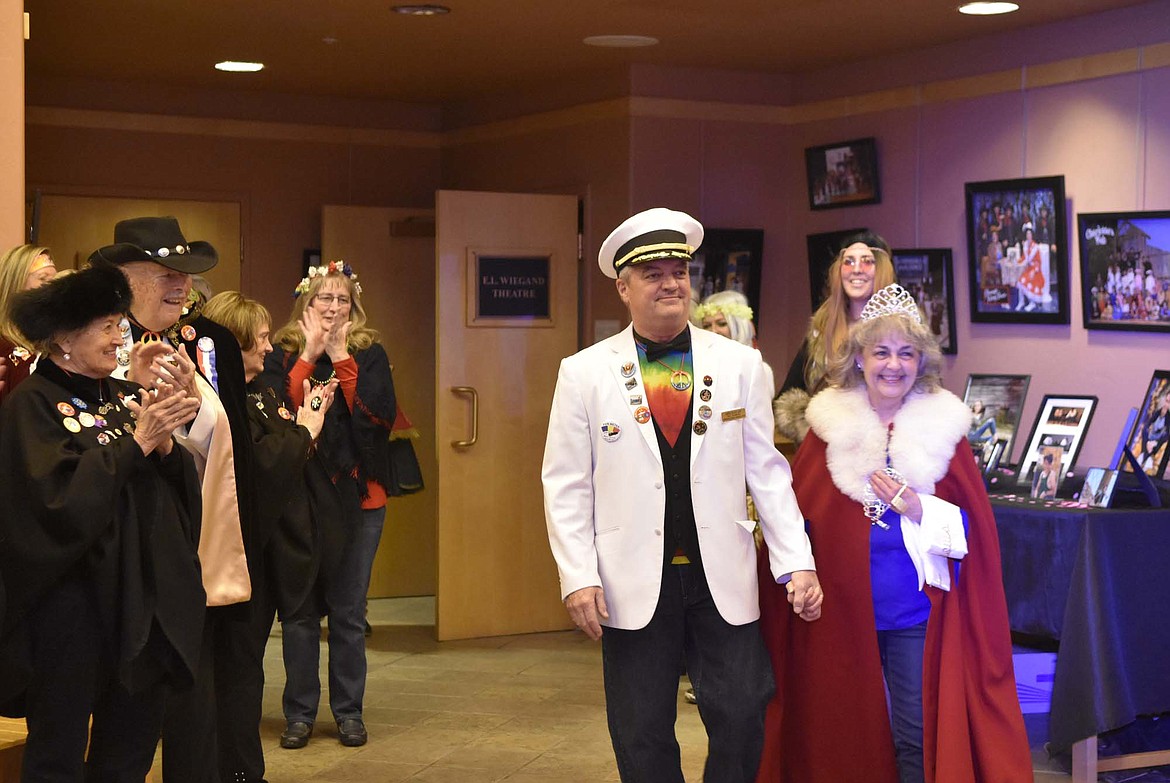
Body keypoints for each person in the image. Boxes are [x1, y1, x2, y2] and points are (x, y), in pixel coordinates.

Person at [542, 207, 822, 783]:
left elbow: (767, 474)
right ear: (623, 287)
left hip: (722, 573)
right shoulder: (584, 373)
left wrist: (796, 563)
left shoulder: (743, 366)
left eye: (680, 270)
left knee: (743, 711)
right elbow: (566, 482)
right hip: (629, 578)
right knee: (640, 727)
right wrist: (578, 575)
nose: (671, 283)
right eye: (653, 274)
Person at [756, 284, 1031, 783]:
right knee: (842, 731)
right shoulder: (827, 430)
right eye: (880, 352)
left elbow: (974, 536)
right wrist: (801, 576)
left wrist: (917, 506)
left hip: (915, 616)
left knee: (913, 734)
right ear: (859, 359)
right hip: (836, 615)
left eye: (907, 353)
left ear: (921, 362)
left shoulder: (945, 432)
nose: (893, 365)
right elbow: (793, 520)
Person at [0, 264, 205, 781]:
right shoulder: (32, 406)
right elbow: (53, 505)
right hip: (71, 615)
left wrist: (162, 449)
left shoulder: (121, 398)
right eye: (108, 327)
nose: (121, 339)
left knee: (129, 747)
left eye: (121, 325)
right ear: (66, 338)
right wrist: (136, 443)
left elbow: (170, 495)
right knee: (59, 753)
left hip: (139, 609)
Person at [89, 215, 258, 783]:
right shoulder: (91, 343)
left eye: (184, 273)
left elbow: (232, 446)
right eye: (164, 273)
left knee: (197, 702)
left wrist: (195, 418)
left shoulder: (207, 343)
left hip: (194, 547)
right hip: (121, 557)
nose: (181, 285)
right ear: (122, 276)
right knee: (124, 719)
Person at [201, 290, 340, 782]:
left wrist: (299, 431)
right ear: (232, 346)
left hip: (269, 553)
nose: (267, 348)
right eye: (258, 339)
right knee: (232, 674)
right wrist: (304, 432)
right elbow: (259, 465)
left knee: (248, 670)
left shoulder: (258, 390)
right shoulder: (216, 395)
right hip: (233, 555)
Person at [262, 260, 397, 749]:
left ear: (353, 306)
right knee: (298, 611)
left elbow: (377, 418)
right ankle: (298, 713)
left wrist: (341, 358)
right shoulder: (281, 350)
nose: (335, 308)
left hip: (359, 499)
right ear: (307, 303)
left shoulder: (370, 352)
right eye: (325, 299)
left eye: (343, 300)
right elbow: (279, 413)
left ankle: (348, 713)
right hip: (300, 502)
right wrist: (309, 356)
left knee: (346, 610)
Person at [774, 231, 895, 442]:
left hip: (886, 451)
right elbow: (787, 398)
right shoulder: (821, 331)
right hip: (829, 452)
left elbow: (924, 392)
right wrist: (814, 429)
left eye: (867, 262)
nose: (856, 270)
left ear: (882, 269)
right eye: (848, 262)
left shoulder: (904, 329)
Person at [0, 244, 58, 406]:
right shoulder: (4, 346)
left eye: (55, 280)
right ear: (16, 284)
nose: (52, 287)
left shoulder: (57, 340)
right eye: (43, 278)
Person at [695, 289, 774, 396]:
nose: (713, 331)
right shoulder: (695, 365)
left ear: (739, 326)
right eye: (707, 326)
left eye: (721, 324)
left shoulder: (758, 369)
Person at [1016, 225, 1049, 312]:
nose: (1028, 236)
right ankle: (1021, 302)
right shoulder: (1026, 245)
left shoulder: (1035, 247)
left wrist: (1034, 271)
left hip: (1036, 271)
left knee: (1029, 281)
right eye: (1027, 234)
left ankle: (1032, 303)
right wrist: (1017, 261)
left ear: (1032, 235)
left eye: (1030, 234)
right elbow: (1023, 258)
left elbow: (1038, 262)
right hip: (1028, 269)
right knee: (1020, 281)